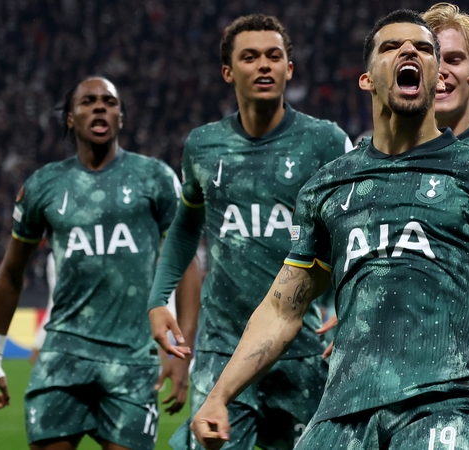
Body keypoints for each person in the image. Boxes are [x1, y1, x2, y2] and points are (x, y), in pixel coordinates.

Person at [190, 9, 469, 450]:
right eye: (391, 47)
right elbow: (282, 310)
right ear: (367, 79)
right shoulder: (329, 186)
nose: (409, 51)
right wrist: (219, 395)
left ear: (438, 80)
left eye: (424, 49)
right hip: (341, 413)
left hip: (446, 406)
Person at [315, 5, 469, 447]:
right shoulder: (378, 158)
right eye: (438, 57)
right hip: (371, 388)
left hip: (454, 392)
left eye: (455, 59)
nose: (440, 71)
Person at [146, 13, 354, 450]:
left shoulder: (326, 142)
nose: (264, 65)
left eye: (274, 56)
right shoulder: (203, 146)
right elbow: (186, 230)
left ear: (289, 69)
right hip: (223, 351)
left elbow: (353, 236)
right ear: (228, 71)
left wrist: (353, 310)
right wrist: (158, 299)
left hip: (302, 349)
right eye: (250, 57)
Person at [0, 76, 196, 450]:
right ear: (70, 118)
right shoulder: (43, 185)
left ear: (120, 117)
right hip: (63, 356)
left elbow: (188, 265)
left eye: (109, 101)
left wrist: (183, 354)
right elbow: (11, 274)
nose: (99, 107)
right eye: (88, 101)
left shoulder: (155, 178)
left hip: (132, 360)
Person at [29, 251, 55, 365]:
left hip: (57, 308)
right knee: (37, 348)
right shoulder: (53, 257)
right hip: (58, 308)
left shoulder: (52, 256)